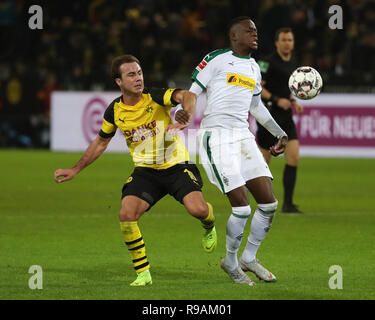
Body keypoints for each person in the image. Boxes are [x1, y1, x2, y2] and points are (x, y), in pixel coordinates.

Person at [54, 54, 217, 287]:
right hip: (146, 171)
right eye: (131, 74)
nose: (138, 78)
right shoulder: (115, 111)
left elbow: (188, 96)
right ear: (118, 82)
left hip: (176, 166)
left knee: (198, 210)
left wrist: (186, 116)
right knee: (126, 214)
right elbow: (101, 142)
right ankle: (143, 274)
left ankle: (209, 224)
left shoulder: (155, 96)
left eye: (139, 73)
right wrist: (75, 169)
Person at [175, 17, 288, 285]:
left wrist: (279, 132)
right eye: (249, 31)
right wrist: (186, 113)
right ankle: (231, 261)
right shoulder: (215, 59)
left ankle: (249, 257)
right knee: (242, 208)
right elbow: (192, 92)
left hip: (243, 137)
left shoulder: (253, 68)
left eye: (256, 30)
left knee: (269, 204)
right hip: (216, 138)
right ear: (234, 36)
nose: (254, 34)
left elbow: (257, 107)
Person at [256, 27, 304, 213]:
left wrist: (293, 102)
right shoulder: (266, 63)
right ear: (277, 43)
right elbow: (258, 89)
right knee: (263, 162)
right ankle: (260, 200)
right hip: (269, 117)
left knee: (293, 157)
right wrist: (276, 100)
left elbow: (288, 89)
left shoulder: (294, 62)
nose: (287, 43)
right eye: (283, 40)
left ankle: (288, 204)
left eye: (290, 40)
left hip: (286, 118)